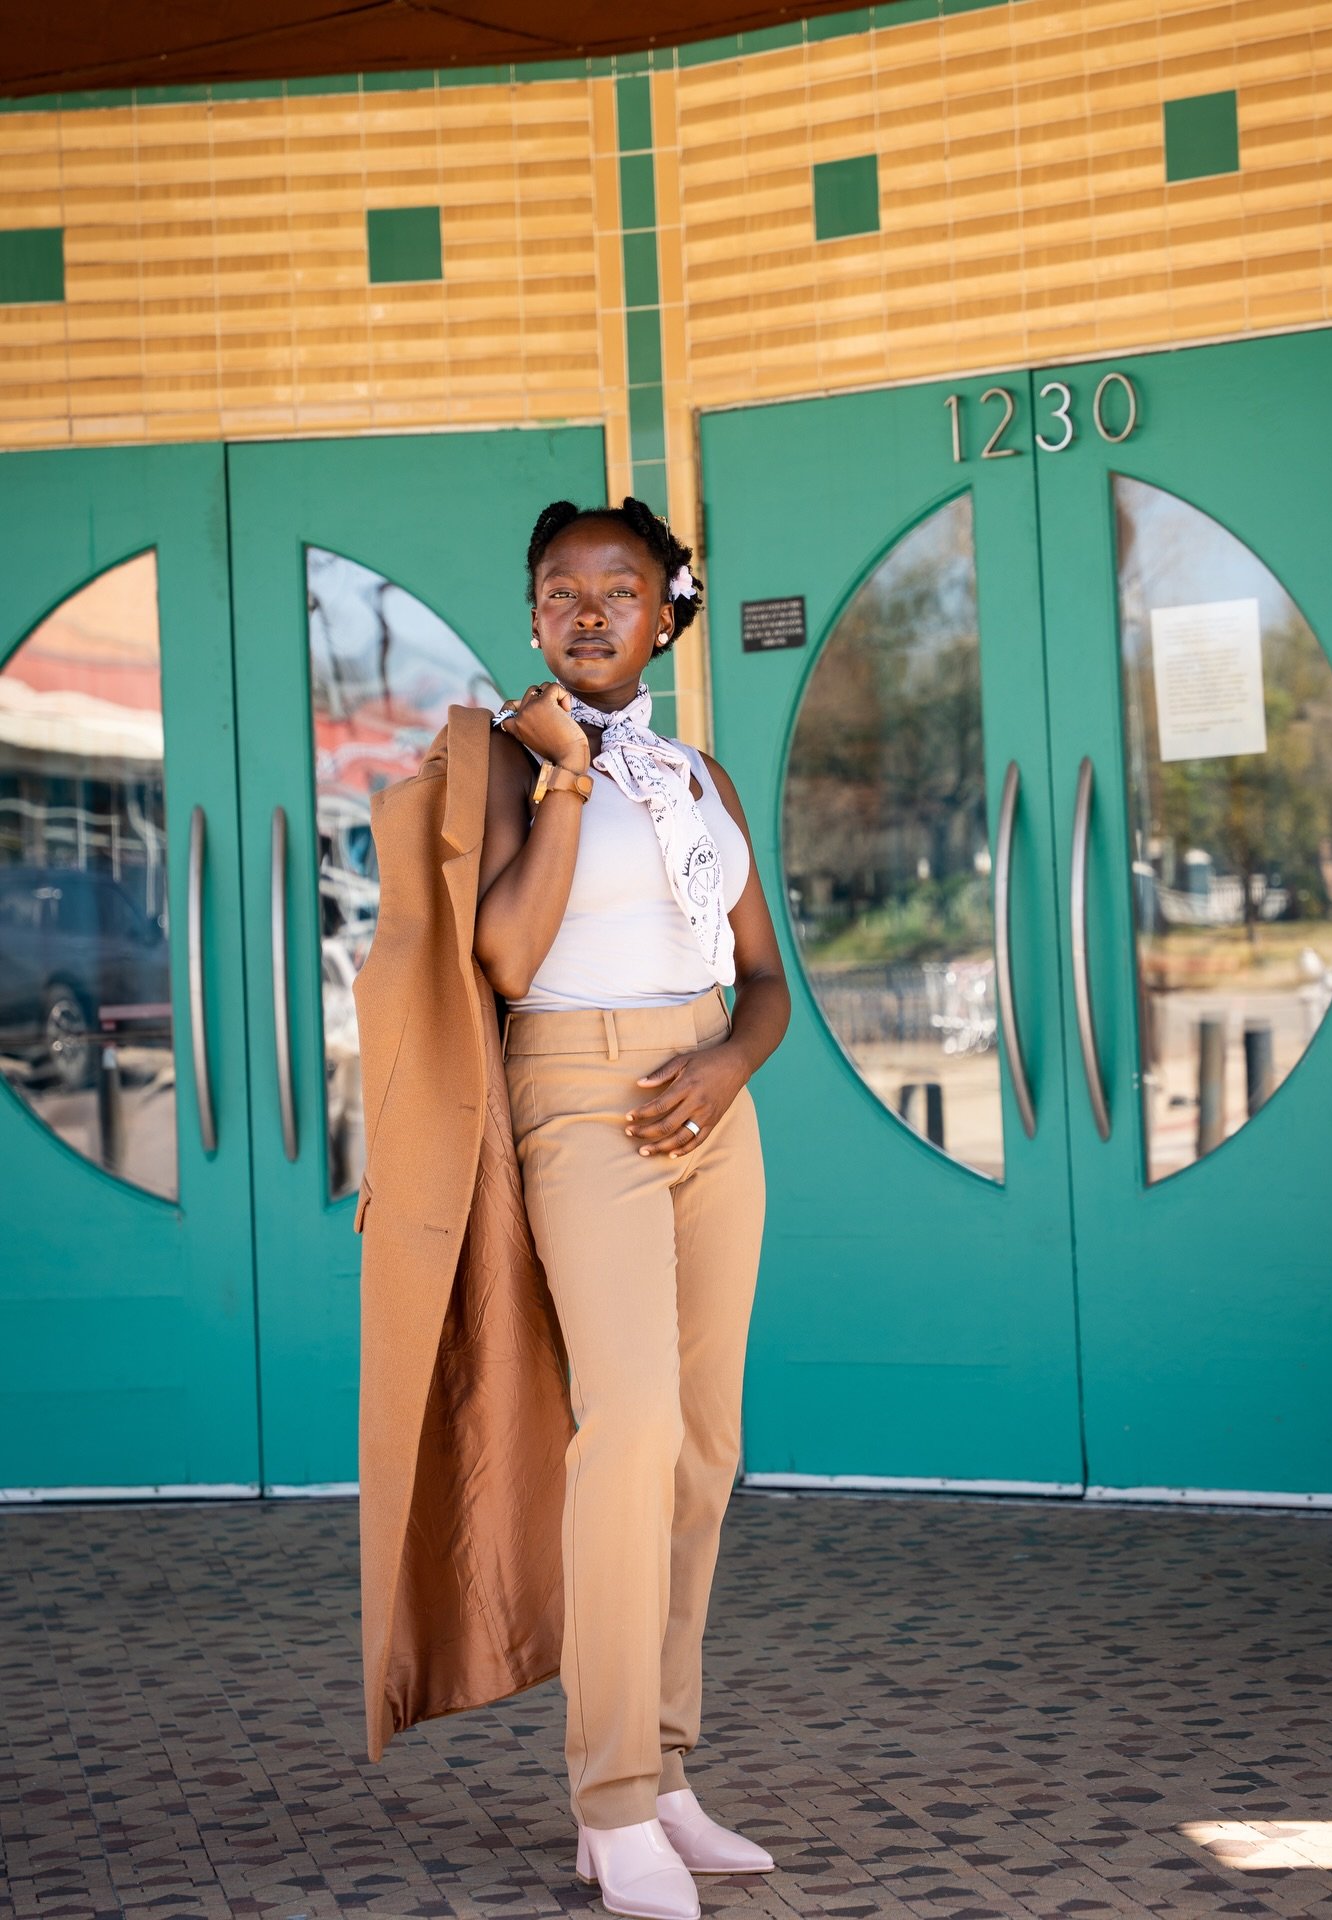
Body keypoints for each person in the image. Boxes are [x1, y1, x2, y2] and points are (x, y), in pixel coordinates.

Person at [472, 497, 791, 1920]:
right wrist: (561, 778)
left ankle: (664, 1774)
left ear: (670, 613)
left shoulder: (700, 774)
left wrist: (726, 1065)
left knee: (705, 1449)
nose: (589, 610)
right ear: (535, 615)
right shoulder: (498, 758)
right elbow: (504, 955)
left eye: (620, 587)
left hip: (709, 1099)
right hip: (577, 1093)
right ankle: (606, 1803)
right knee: (633, 1428)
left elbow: (765, 980)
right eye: (562, 589)